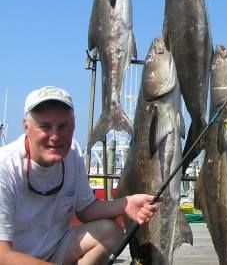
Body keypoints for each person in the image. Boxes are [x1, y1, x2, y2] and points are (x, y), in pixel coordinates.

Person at [0, 86, 159, 265]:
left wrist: (126, 204)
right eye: (45, 127)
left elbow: (85, 209)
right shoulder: (4, 167)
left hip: (56, 249)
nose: (55, 136)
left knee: (110, 231)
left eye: (63, 126)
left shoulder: (72, 151)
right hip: (14, 257)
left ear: (73, 126)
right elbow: (3, 255)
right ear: (26, 127)